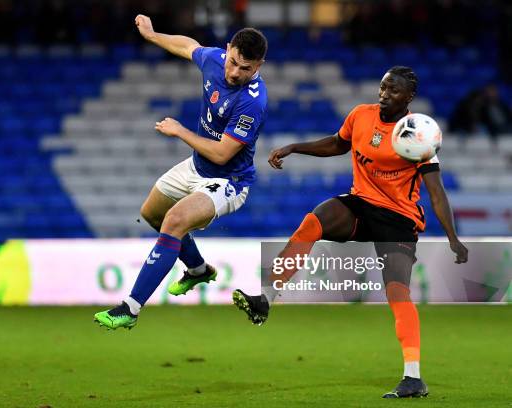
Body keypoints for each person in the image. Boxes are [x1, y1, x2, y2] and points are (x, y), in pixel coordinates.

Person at [232, 66, 468, 398]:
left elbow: (437, 192)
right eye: (383, 86)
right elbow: (337, 143)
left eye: (394, 90)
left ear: (409, 97)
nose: (384, 94)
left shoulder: (419, 133)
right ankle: (266, 298)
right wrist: (295, 147)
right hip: (360, 203)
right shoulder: (361, 115)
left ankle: (413, 377)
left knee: (398, 294)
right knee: (313, 221)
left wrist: (453, 239)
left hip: (398, 218)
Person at [94, 15, 268, 330]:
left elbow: (221, 153)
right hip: (195, 167)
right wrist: (152, 35)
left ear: (258, 67)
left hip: (228, 181)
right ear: (227, 50)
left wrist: (179, 131)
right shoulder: (214, 60)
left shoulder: (252, 103)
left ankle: (130, 309)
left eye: (246, 69)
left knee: (174, 220)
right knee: (152, 214)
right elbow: (189, 46)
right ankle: (199, 269)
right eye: (232, 62)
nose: (235, 73)